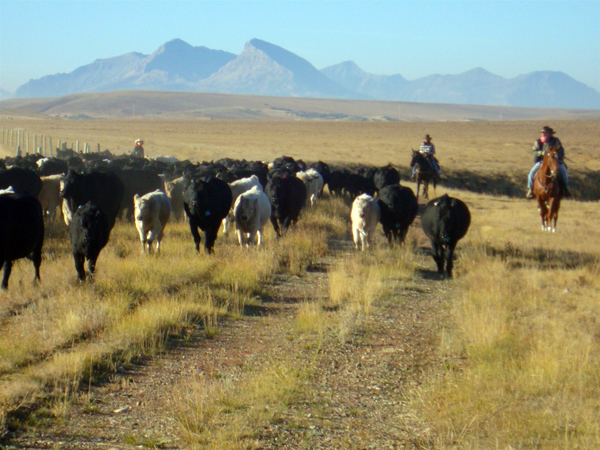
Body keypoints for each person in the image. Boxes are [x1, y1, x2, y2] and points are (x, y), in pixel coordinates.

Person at [526, 126, 570, 199]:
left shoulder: (556, 141)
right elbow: (534, 152)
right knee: (531, 173)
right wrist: (541, 153)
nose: (543, 134)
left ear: (550, 134)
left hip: (554, 161)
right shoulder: (538, 142)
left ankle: (566, 189)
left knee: (563, 171)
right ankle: (530, 189)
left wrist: (557, 156)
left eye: (545, 133)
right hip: (542, 162)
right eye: (542, 133)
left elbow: (561, 151)